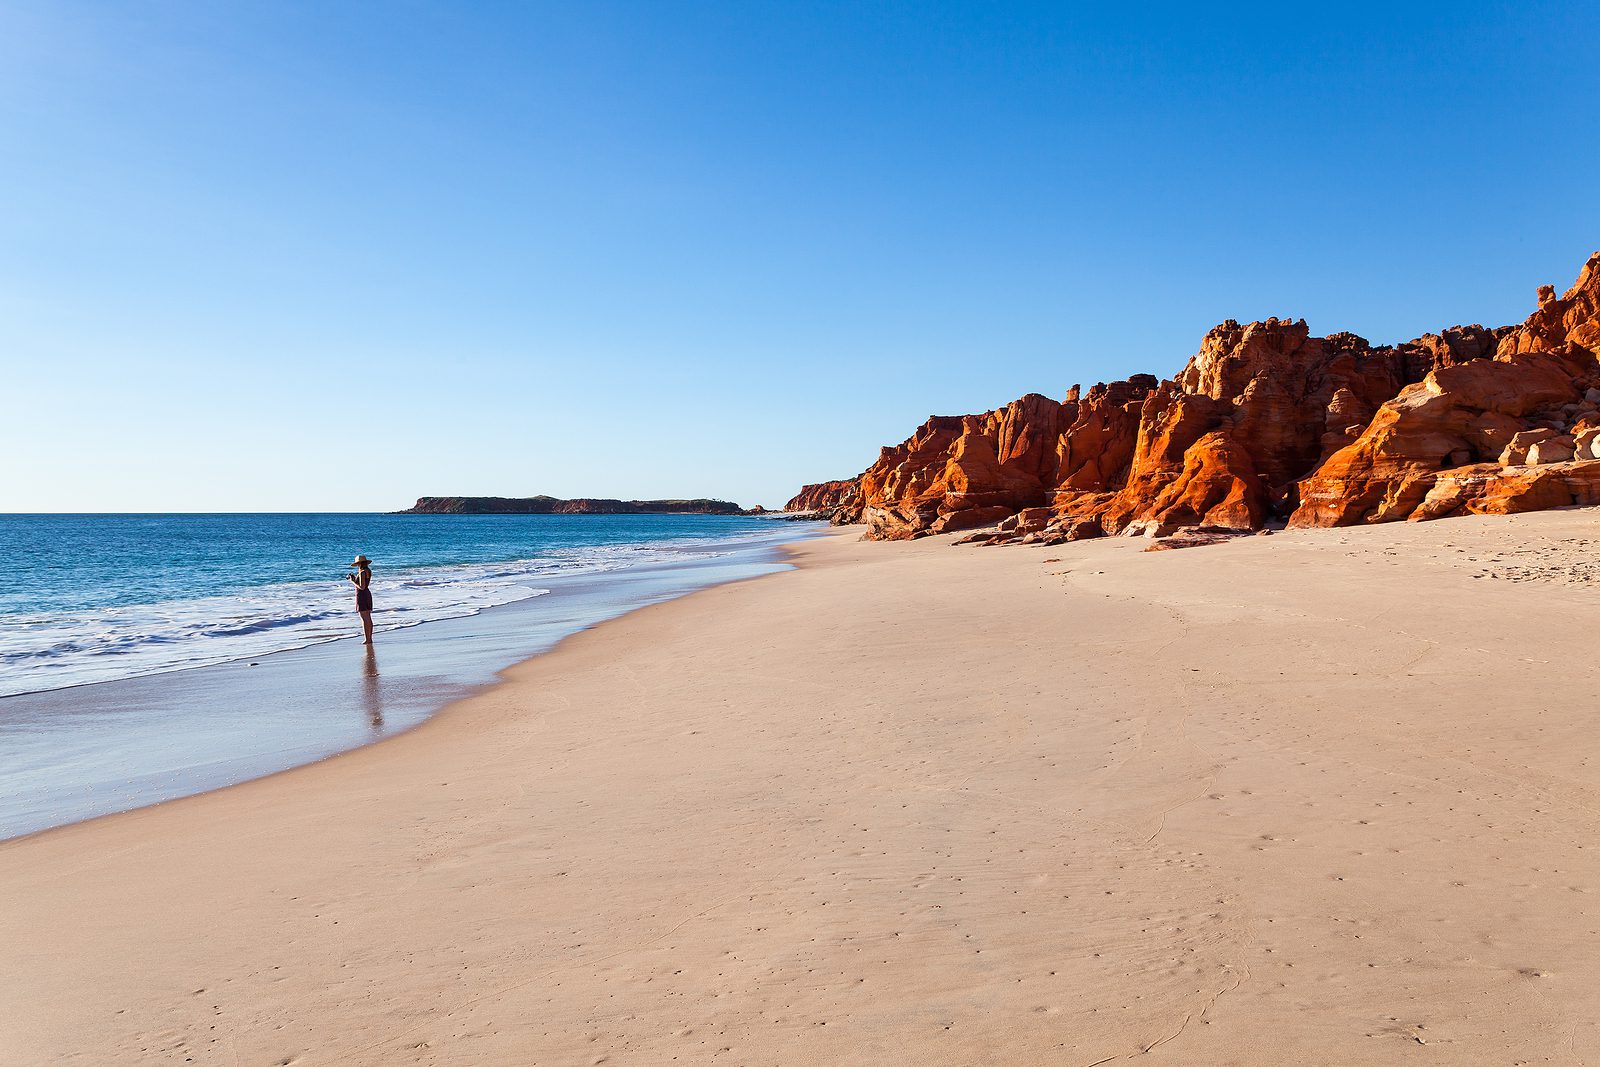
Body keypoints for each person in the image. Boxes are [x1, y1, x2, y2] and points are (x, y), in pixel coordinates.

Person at [346, 554, 375, 644]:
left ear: (359, 563)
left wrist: (352, 582)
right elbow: (365, 585)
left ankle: (367, 639)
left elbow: (361, 587)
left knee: (364, 618)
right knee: (368, 618)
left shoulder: (362, 572)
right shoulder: (368, 571)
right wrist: (355, 580)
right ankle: (369, 638)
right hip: (367, 594)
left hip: (362, 595)